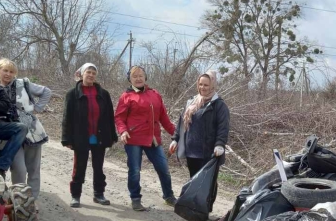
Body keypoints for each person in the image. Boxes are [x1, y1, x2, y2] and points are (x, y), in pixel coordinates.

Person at [114, 66, 177, 211]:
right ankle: (135, 198)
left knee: (163, 168)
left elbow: (164, 118)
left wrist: (176, 134)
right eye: (134, 76)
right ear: (129, 79)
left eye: (140, 75)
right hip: (133, 138)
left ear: (145, 77)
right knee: (135, 170)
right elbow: (119, 117)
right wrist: (123, 131)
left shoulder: (155, 94)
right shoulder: (126, 96)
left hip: (153, 139)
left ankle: (169, 196)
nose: (138, 78)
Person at [169, 71, 230, 207]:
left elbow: (223, 127)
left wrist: (220, 144)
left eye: (206, 85)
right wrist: (175, 139)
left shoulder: (219, 105)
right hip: (192, 151)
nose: (203, 87)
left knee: (208, 183)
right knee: (194, 181)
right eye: (200, 84)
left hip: (209, 152)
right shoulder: (191, 102)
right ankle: (194, 209)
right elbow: (181, 124)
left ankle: (205, 210)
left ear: (212, 85)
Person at [61, 63, 116, 207]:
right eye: (88, 72)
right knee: (79, 167)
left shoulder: (104, 94)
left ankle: (99, 194)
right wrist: (66, 138)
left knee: (98, 167)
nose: (91, 75)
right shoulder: (72, 94)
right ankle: (76, 195)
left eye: (93, 73)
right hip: (81, 136)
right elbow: (67, 117)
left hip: (99, 136)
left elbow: (110, 116)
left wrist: (112, 135)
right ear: (81, 74)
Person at [0, 58, 52, 194]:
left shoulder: (23, 84)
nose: (8, 74)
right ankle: (20, 198)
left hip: (32, 131)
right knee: (19, 169)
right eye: (5, 71)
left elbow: (46, 92)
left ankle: (32, 200)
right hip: (9, 133)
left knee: (33, 169)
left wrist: (38, 108)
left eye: (11, 71)